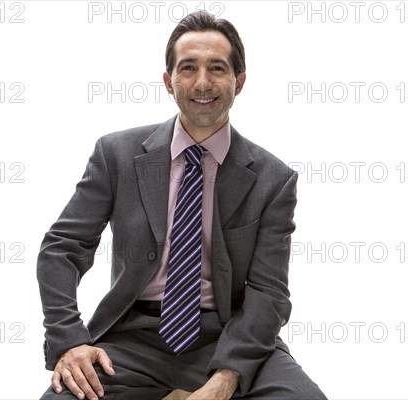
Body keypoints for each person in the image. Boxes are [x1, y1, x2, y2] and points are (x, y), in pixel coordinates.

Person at [38, 10, 327, 400]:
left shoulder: (274, 180)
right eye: (188, 68)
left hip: (227, 336)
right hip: (132, 337)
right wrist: (69, 340)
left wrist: (228, 376)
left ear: (239, 82)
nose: (202, 82)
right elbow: (62, 249)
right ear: (168, 82)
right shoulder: (117, 155)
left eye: (217, 68)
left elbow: (268, 293)